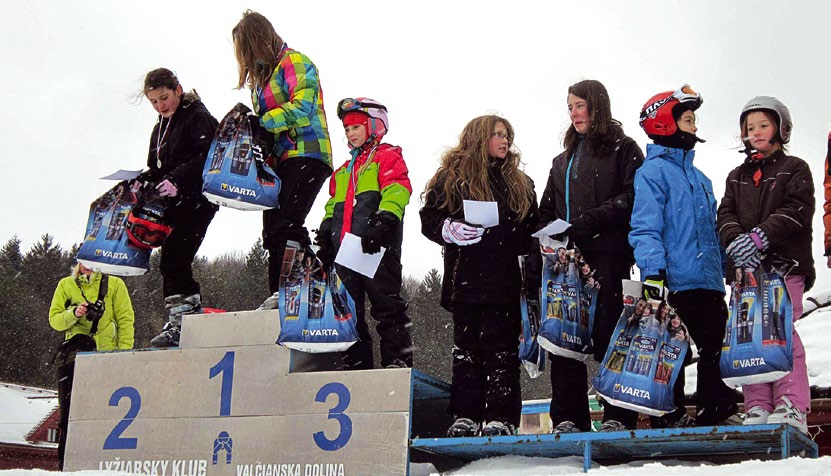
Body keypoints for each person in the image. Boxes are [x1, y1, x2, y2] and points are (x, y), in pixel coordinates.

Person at [420, 115, 538, 437]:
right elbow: (428, 218)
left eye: (507, 136)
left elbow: (531, 230)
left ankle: (502, 418)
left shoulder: (521, 182)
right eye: (497, 135)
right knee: (466, 351)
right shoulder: (451, 178)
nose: (504, 141)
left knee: (502, 351)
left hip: (505, 281)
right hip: (465, 281)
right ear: (479, 137)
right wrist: (448, 228)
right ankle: (465, 416)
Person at [538, 79, 644, 434]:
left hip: (608, 253)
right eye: (569, 107)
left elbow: (632, 197)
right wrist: (546, 232)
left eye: (579, 105)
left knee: (611, 332)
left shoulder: (624, 149)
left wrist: (592, 220)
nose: (573, 113)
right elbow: (546, 209)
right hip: (567, 261)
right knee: (564, 335)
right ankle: (569, 417)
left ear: (596, 106)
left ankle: (617, 414)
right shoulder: (561, 160)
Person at [630, 84, 739, 428]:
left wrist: (728, 267)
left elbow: (713, 229)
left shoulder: (701, 178)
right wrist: (653, 272)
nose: (694, 126)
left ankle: (716, 408)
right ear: (665, 123)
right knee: (674, 349)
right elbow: (646, 227)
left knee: (715, 348)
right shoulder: (652, 173)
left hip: (708, 280)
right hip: (674, 280)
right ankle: (670, 413)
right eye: (688, 119)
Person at [717, 96, 814, 433]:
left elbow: (796, 209)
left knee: (781, 331)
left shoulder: (795, 168)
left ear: (779, 129)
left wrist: (761, 237)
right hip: (747, 272)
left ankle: (792, 403)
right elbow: (725, 213)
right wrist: (735, 242)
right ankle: (757, 404)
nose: (755, 132)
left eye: (763, 125)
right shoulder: (736, 176)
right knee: (750, 337)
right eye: (750, 127)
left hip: (783, 266)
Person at [232, 10, 333, 299]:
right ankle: (282, 290)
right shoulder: (260, 81)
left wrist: (263, 122)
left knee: (287, 221)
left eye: (248, 51)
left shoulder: (295, 62)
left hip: (307, 151)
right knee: (274, 229)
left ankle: (296, 285)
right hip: (278, 159)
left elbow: (303, 108)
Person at [314, 97, 413, 369]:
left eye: (356, 127)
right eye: (346, 129)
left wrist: (385, 219)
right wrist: (325, 233)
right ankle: (356, 362)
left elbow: (398, 188)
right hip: (345, 250)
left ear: (374, 126)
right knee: (348, 309)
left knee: (386, 305)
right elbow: (333, 204)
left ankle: (397, 360)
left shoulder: (386, 155)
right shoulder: (343, 171)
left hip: (376, 246)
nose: (350, 133)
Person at [136, 68, 219, 347]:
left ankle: (186, 319)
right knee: (169, 260)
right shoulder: (160, 128)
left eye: (164, 98)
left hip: (198, 199)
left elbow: (208, 157)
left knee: (175, 257)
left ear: (178, 90)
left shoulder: (198, 117)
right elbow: (155, 167)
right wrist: (141, 182)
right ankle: (178, 316)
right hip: (173, 202)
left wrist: (178, 178)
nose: (161, 106)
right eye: (154, 102)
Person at [49, 262, 134, 469]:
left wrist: (122, 355)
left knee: (103, 412)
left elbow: (125, 320)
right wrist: (74, 313)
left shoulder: (114, 284)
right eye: (83, 260)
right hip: (73, 359)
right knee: (69, 414)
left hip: (105, 358)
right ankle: (66, 465)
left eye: (92, 261)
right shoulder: (66, 285)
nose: (87, 266)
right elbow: (54, 320)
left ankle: (100, 465)